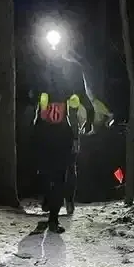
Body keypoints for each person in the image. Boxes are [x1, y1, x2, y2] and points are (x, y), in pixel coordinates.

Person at [34, 49, 94, 233]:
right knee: (44, 172)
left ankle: (54, 218)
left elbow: (82, 94)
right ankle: (48, 198)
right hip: (43, 131)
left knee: (61, 174)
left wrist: (90, 115)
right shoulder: (40, 68)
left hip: (62, 132)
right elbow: (29, 90)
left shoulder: (73, 68)